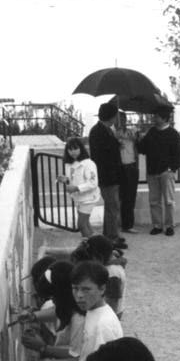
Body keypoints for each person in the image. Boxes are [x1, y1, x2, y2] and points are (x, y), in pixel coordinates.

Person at [38, 260, 122, 361]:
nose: (79, 296)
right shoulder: (92, 312)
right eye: (75, 289)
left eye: (86, 289)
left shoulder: (103, 325)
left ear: (102, 288)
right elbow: (84, 356)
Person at [138, 106, 180, 237]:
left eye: (156, 116)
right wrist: (138, 138)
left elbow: (179, 155)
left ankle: (169, 226)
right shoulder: (151, 132)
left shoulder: (173, 134)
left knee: (169, 200)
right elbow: (142, 149)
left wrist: (171, 168)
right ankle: (157, 225)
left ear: (164, 118)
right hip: (152, 172)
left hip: (166, 173)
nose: (154, 118)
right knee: (154, 201)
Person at [88, 101, 127, 250]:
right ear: (111, 116)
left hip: (110, 175)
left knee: (111, 207)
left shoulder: (105, 130)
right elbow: (103, 155)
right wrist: (116, 143)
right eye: (115, 115)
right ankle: (112, 238)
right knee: (113, 207)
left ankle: (110, 234)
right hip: (107, 175)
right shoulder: (99, 132)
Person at [71, 235, 126, 319]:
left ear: (98, 257)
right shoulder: (112, 261)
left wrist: (106, 319)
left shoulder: (112, 273)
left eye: (91, 258)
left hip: (108, 313)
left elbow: (113, 301)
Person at [58, 137, 100, 238]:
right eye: (70, 149)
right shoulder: (69, 163)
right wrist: (66, 179)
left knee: (81, 225)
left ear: (81, 148)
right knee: (86, 224)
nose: (73, 152)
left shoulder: (88, 163)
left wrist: (76, 188)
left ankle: (89, 247)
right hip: (79, 198)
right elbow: (73, 178)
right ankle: (97, 245)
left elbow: (93, 183)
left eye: (75, 148)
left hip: (89, 198)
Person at [116, 112, 139, 234]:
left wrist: (135, 137)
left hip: (131, 166)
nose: (120, 122)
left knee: (130, 197)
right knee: (120, 197)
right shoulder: (113, 134)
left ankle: (128, 224)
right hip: (119, 167)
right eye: (118, 119)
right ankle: (118, 223)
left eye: (122, 119)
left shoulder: (131, 132)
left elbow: (138, 144)